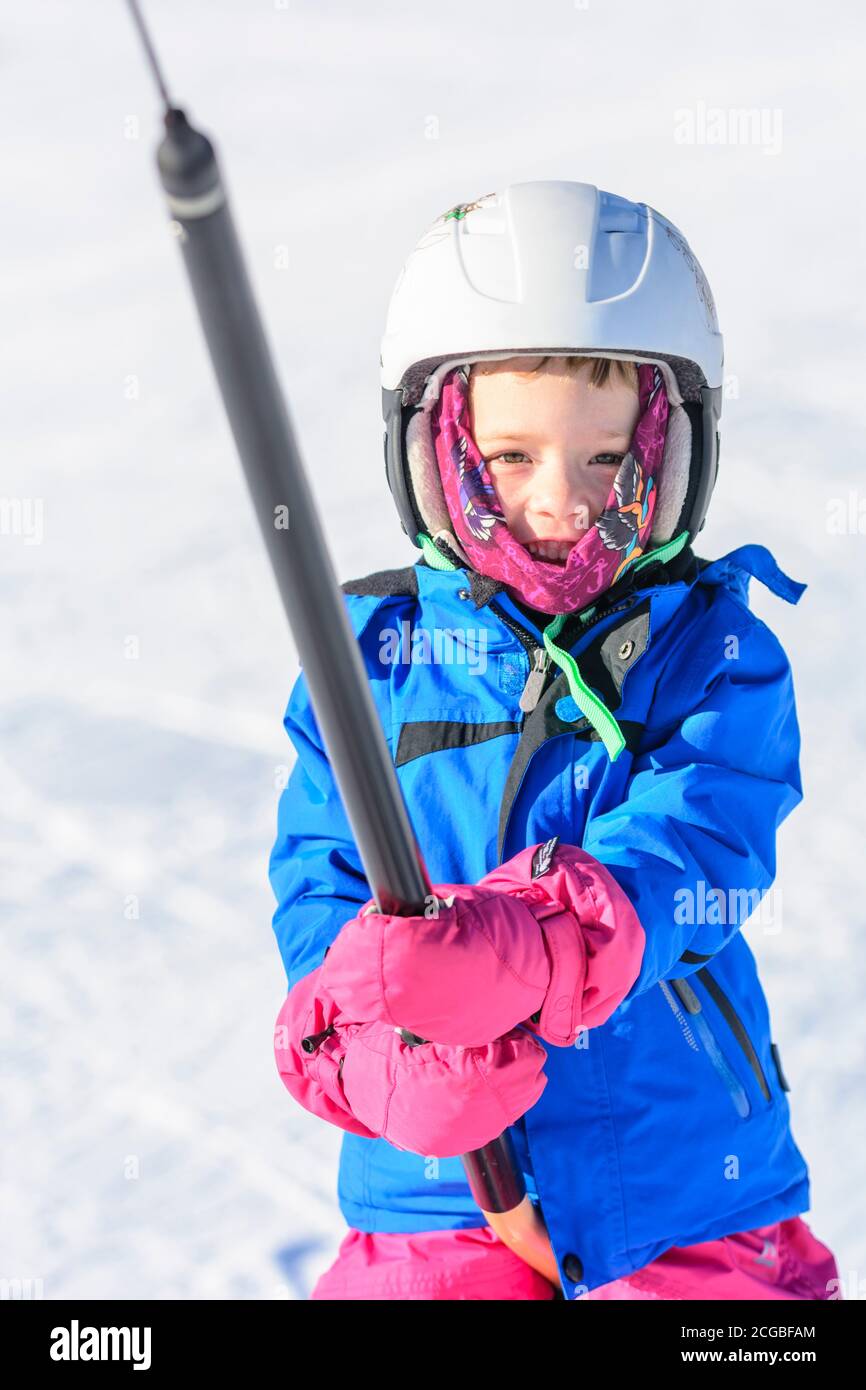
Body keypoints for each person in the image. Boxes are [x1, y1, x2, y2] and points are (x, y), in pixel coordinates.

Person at [269, 180, 841, 1300]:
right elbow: (319, 911)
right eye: (512, 457)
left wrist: (532, 946)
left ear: (672, 449)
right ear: (437, 452)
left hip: (677, 1196)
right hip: (433, 1195)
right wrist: (385, 1058)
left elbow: (698, 850)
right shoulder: (362, 667)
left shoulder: (713, 653)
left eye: (601, 458)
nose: (559, 502)